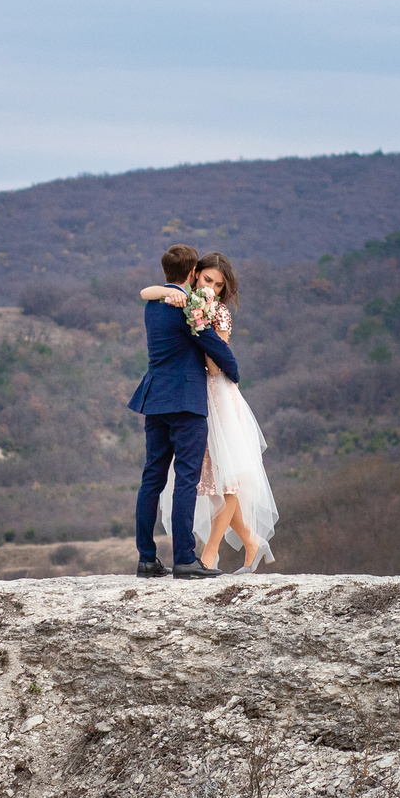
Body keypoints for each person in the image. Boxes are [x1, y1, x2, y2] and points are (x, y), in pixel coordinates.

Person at [139, 252, 275, 570]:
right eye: (207, 280)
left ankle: (209, 554)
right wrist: (174, 299)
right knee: (211, 481)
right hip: (194, 396)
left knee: (226, 480)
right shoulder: (184, 303)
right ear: (195, 274)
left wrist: (202, 331)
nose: (212, 288)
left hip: (216, 397)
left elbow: (216, 368)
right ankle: (250, 540)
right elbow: (148, 292)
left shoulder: (219, 313)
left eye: (218, 284)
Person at [128, 244, 241, 578]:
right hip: (186, 403)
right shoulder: (190, 311)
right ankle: (184, 559)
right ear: (193, 274)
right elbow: (215, 349)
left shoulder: (152, 305)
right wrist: (235, 372)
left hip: (155, 400)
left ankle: (146, 559)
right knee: (186, 481)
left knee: (152, 478)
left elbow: (150, 291)